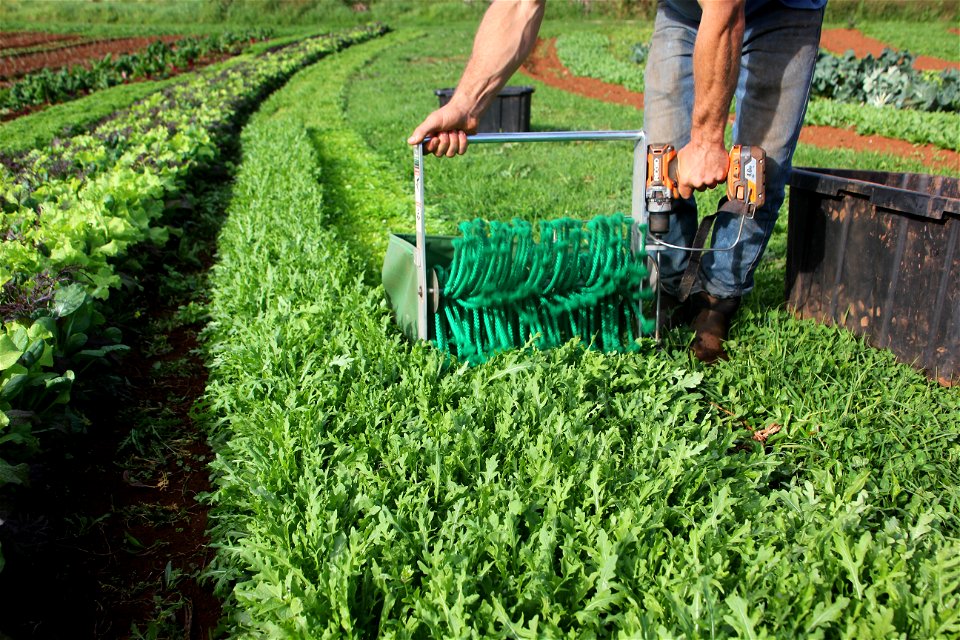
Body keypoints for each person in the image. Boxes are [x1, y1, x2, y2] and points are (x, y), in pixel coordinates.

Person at [408, 0, 826, 363]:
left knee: (758, 166)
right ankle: (662, 286)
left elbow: (726, 9)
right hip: (685, 12)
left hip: (783, 9)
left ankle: (717, 299)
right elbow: (519, 7)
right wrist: (465, 103)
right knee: (660, 157)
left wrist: (706, 139)